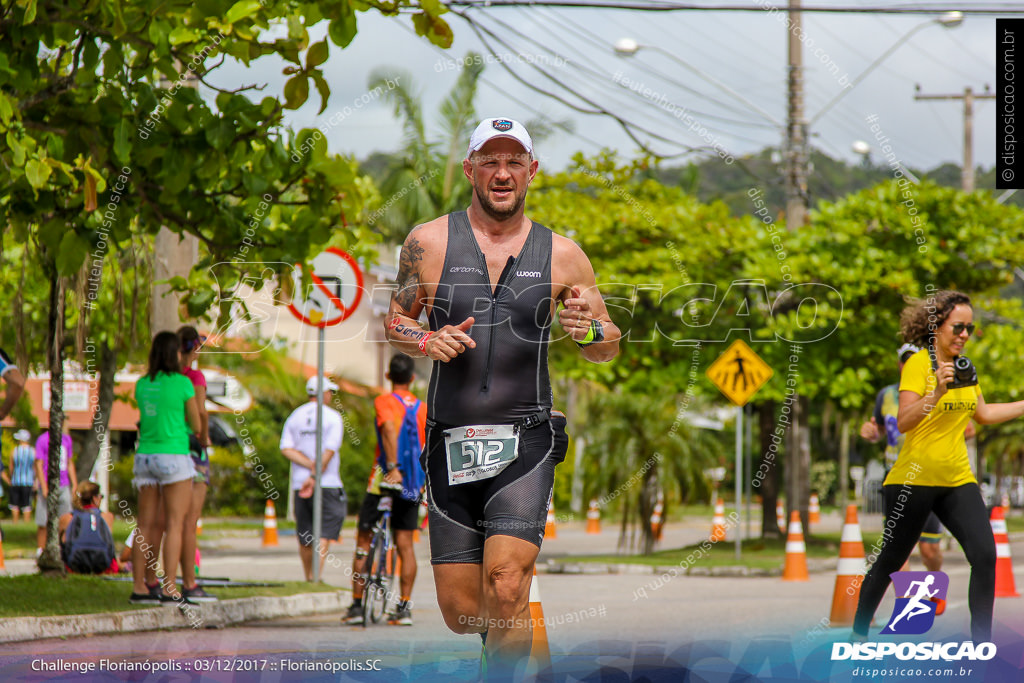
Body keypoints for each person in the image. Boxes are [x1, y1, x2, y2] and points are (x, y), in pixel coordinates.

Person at [384, 117, 620, 672]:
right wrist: (426, 336)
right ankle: (516, 658)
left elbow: (606, 344)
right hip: (450, 441)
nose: (502, 171)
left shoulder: (564, 256)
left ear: (532, 172)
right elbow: (396, 319)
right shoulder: (428, 241)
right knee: (462, 609)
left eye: (515, 161)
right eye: (490, 159)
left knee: (507, 583)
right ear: (470, 169)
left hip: (526, 440)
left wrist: (585, 328)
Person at [853, 290, 1024, 643]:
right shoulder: (918, 365)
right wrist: (937, 394)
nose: (964, 335)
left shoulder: (966, 368)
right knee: (890, 560)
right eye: (958, 327)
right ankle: (857, 635)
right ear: (937, 327)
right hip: (911, 481)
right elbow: (903, 421)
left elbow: (985, 414)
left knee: (985, 554)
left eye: (970, 328)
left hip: (957, 479)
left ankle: (981, 644)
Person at [344, 354, 427, 626]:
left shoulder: (384, 401)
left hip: (383, 478)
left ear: (389, 377)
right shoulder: (424, 408)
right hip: (413, 482)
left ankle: (357, 606)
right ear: (412, 378)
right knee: (405, 544)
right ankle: (404, 608)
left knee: (363, 542)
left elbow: (389, 429)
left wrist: (392, 467)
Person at [131, 331, 202, 605]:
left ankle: (139, 587)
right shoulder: (183, 384)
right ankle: (170, 587)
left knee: (145, 524)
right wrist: (182, 428)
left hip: (145, 456)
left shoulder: (141, 384)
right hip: (174, 456)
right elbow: (195, 425)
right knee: (174, 524)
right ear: (175, 354)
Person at [860, 343, 944, 573]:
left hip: (929, 476)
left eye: (914, 360)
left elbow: (968, 426)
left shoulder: (939, 390)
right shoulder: (886, 395)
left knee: (929, 549)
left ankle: (933, 587)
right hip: (896, 475)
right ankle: (906, 605)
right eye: (905, 360)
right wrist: (871, 432)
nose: (909, 365)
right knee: (898, 550)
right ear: (899, 364)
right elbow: (879, 429)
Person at [279, 375, 345, 581]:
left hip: (301, 483)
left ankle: (309, 577)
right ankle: (316, 576)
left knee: (306, 535)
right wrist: (316, 470)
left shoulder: (294, 416)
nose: (331, 396)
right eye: (330, 392)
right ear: (323, 393)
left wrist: (307, 466)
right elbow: (329, 450)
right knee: (324, 532)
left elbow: (285, 448)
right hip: (327, 482)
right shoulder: (333, 417)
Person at [177, 325, 216, 602]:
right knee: (189, 523)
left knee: (167, 522)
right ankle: (189, 582)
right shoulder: (193, 376)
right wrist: (205, 438)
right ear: (195, 347)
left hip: (169, 449)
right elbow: (200, 411)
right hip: (193, 451)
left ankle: (160, 580)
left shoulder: (164, 376)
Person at [35, 416, 78, 557]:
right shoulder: (42, 439)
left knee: (65, 518)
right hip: (48, 484)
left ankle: (61, 549)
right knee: (43, 520)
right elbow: (39, 464)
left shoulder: (66, 440)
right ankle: (41, 550)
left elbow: (70, 463)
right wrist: (44, 486)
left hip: (64, 484)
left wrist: (74, 483)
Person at [59, 480, 117, 574]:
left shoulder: (66, 518)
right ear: (94, 498)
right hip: (101, 564)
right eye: (100, 496)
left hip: (74, 564)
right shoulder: (107, 517)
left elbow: (61, 543)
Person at [8, 429, 36, 522]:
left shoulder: (14, 451)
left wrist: (11, 477)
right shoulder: (33, 451)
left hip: (16, 480)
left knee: (14, 504)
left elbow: (11, 466)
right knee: (27, 504)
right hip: (28, 481)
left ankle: (15, 522)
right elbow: (35, 467)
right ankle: (26, 522)